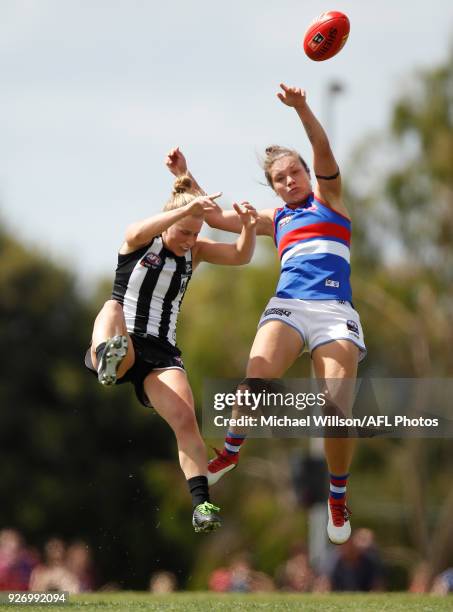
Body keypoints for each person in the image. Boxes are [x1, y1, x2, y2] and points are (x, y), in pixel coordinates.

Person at [178, 84, 366, 545]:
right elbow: (219, 219)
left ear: (307, 172)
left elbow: (322, 147)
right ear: (274, 187)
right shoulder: (277, 218)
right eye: (279, 178)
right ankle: (231, 452)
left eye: (294, 172)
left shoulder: (330, 199)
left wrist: (301, 107)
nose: (288, 181)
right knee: (254, 381)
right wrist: (185, 179)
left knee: (336, 412)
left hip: (333, 311)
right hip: (288, 306)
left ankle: (337, 499)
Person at [84, 164, 257, 533]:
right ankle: (106, 359)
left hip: (161, 353)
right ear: (168, 221)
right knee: (111, 307)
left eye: (196, 234)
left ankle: (202, 506)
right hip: (125, 337)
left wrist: (247, 226)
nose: (190, 240)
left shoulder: (195, 253)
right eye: (184, 232)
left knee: (186, 418)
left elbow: (242, 255)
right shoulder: (141, 241)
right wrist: (187, 209)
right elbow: (137, 228)